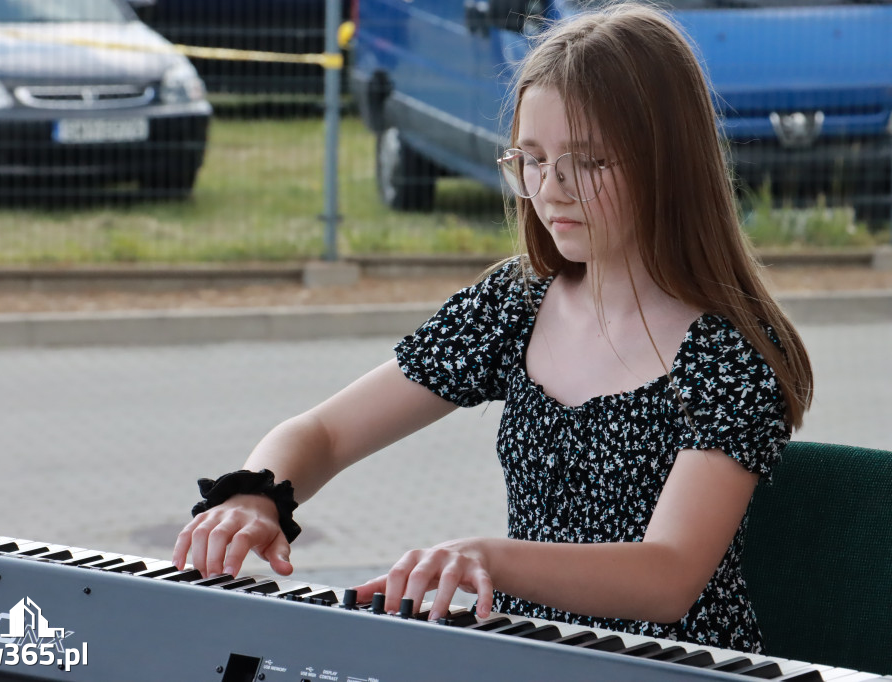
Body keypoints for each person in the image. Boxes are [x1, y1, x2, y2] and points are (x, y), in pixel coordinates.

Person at [173, 3, 813, 654]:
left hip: (679, 670)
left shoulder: (731, 348)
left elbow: (668, 575)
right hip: (531, 656)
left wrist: (489, 558)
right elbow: (327, 433)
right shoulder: (517, 302)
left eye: (588, 163)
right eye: (531, 159)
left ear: (667, 161)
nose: (551, 189)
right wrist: (256, 495)